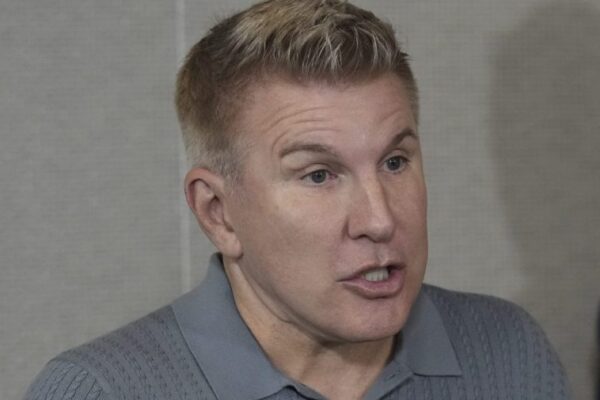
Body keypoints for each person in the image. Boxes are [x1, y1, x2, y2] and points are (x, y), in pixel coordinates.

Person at [25, 0, 570, 399]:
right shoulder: (100, 391)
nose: (379, 220)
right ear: (218, 213)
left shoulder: (510, 353)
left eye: (394, 162)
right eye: (319, 175)